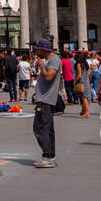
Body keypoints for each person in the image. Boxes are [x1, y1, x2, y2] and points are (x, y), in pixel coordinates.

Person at [31, 38, 62, 167]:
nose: (36, 52)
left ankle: (47, 156)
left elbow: (49, 77)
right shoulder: (50, 60)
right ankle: (51, 156)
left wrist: (42, 65)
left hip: (46, 100)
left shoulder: (54, 60)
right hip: (44, 99)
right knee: (48, 129)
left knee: (40, 129)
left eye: (38, 49)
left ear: (44, 50)